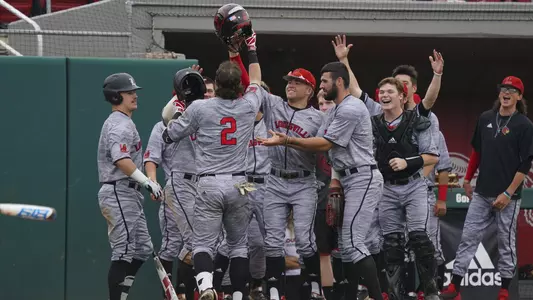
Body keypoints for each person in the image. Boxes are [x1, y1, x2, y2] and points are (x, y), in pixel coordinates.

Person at [260, 61, 385, 300]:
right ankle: (350, 295)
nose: (322, 87)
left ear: (339, 82)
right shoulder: (334, 110)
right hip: (347, 177)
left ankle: (378, 296)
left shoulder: (350, 108)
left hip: (362, 176)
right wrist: (336, 179)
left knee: (354, 242)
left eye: (325, 81)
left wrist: (286, 140)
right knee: (347, 246)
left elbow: (326, 144)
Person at [162, 7, 264, 299]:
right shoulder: (248, 105)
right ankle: (238, 295)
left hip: (208, 182)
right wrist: (252, 49)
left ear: (216, 85)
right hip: (240, 183)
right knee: (239, 245)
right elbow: (254, 81)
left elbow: (170, 134)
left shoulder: (200, 107)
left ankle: (206, 286)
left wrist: (179, 110)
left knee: (203, 243)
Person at [442, 76, 533, 300]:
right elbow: (477, 152)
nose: (506, 93)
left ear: (519, 96)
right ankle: (455, 287)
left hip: (508, 197)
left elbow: (525, 163)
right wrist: (467, 179)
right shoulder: (486, 118)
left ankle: (503, 290)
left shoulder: (524, 124)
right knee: (468, 238)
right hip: (482, 193)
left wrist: (508, 193)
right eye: (504, 88)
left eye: (512, 90)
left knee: (506, 243)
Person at [257, 64, 325, 300]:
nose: (291, 85)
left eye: (297, 82)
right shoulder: (274, 104)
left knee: (305, 242)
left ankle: (316, 287)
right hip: (275, 179)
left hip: (303, 182)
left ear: (310, 90)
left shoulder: (318, 118)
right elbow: (252, 82)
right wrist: (240, 52)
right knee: (273, 242)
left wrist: (289, 141)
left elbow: (325, 145)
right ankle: (274, 291)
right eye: (289, 81)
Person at [97, 73, 163, 300]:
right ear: (117, 96)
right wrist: (147, 182)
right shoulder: (118, 124)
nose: (135, 95)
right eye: (129, 92)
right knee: (123, 251)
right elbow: (121, 159)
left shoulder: (124, 122)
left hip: (127, 192)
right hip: (119, 190)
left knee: (142, 248)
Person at [158, 66, 208, 300]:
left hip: (204, 183)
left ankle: (184, 292)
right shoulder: (176, 109)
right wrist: (181, 91)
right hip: (181, 181)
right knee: (193, 241)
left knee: (202, 242)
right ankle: (177, 293)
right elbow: (167, 116)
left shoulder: (209, 110)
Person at [143, 94, 185, 299]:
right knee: (172, 246)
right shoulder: (162, 126)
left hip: (205, 188)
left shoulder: (206, 120)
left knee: (201, 246)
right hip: (176, 188)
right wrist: (152, 181)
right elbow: (151, 158)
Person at [422, 130, 452, 296]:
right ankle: (409, 291)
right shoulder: (391, 128)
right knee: (400, 246)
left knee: (432, 246)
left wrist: (441, 198)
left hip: (425, 193)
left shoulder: (434, 132)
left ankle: (436, 292)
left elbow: (444, 168)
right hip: (395, 192)